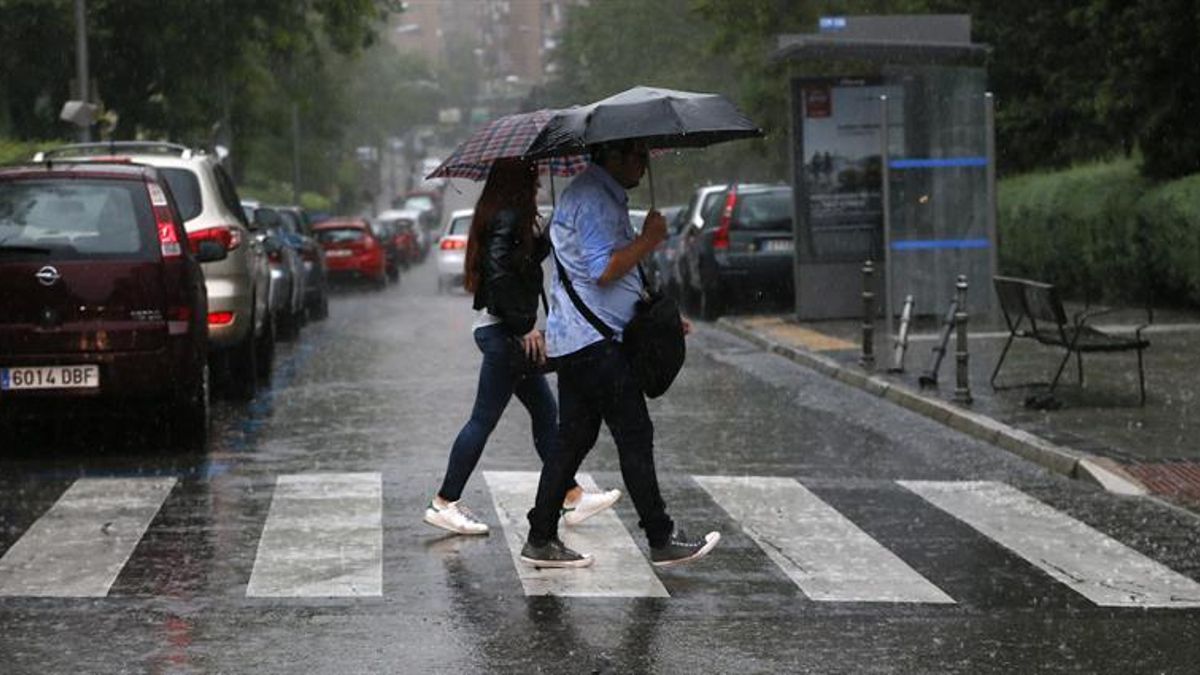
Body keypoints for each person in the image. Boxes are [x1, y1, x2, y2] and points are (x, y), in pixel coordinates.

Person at [519, 141, 721, 568]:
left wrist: (654, 319)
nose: (644, 167)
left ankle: (540, 536)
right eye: (637, 157)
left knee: (572, 440)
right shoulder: (593, 198)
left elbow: (611, 279)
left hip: (582, 343)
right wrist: (649, 240)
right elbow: (603, 269)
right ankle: (661, 536)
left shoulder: (595, 194)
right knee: (633, 435)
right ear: (611, 157)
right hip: (595, 347)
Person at [424, 158, 621, 536]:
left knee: (545, 414)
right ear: (518, 180)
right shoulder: (507, 217)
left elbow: (519, 263)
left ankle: (571, 495)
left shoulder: (507, 215)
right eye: (532, 176)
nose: (538, 184)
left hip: (503, 333)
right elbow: (499, 275)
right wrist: (524, 326)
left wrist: (545, 234)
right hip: (505, 335)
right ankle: (444, 502)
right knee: (483, 420)